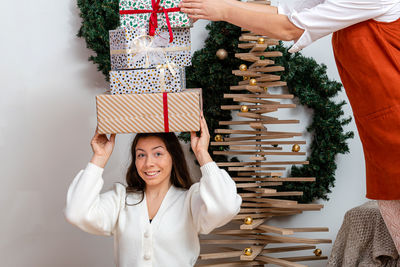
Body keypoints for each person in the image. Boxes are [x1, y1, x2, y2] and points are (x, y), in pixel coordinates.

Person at [179, 0, 400, 252]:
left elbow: (289, 28)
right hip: (381, 138)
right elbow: (284, 11)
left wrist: (223, 10)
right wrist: (214, 6)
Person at [64, 115, 242, 267]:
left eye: (158, 154)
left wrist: (202, 152)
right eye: (141, 154)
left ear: (173, 157)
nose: (148, 163)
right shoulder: (121, 200)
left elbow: (225, 206)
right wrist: (99, 158)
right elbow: (76, 212)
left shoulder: (190, 200)